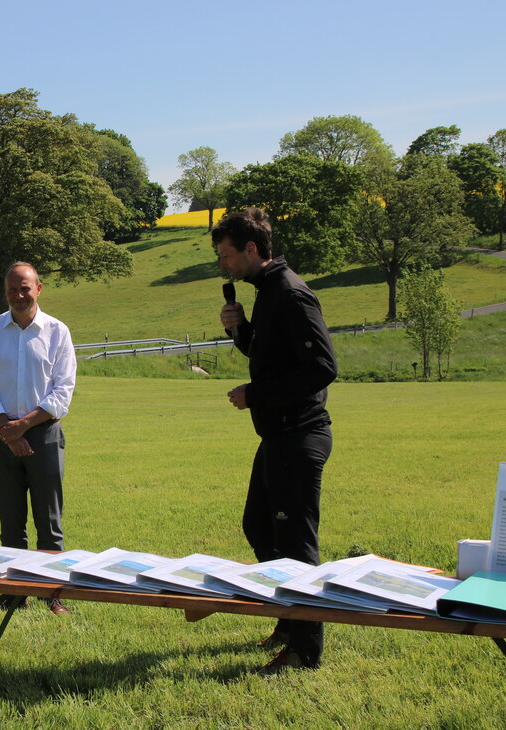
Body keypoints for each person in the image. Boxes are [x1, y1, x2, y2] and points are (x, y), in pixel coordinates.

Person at [214, 208, 337, 672]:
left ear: (251, 250)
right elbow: (272, 358)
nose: (223, 265)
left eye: (227, 255)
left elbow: (323, 368)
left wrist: (255, 394)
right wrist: (240, 330)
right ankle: (290, 617)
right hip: (277, 435)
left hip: (300, 435)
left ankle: (306, 649)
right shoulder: (266, 293)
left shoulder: (290, 294)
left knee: (297, 546)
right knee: (259, 528)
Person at [0, 262, 77, 615]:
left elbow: (63, 389)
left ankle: (53, 593)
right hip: (1, 436)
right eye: (11, 290)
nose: (18, 295)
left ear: (39, 289)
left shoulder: (57, 331)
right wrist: (8, 429)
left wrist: (24, 426)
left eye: (24, 288)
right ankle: (15, 593)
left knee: (49, 521)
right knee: (11, 520)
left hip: (44, 434)